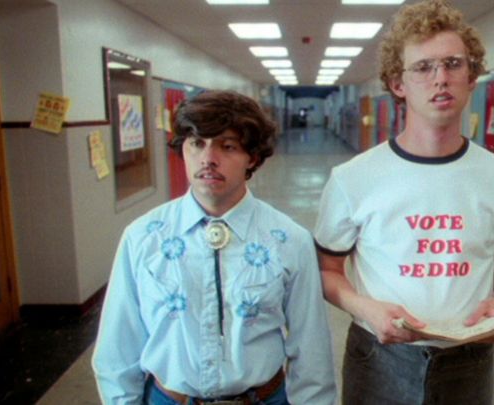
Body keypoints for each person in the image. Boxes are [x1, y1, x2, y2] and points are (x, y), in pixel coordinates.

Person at [314, 1, 494, 404]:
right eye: (423, 68)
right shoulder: (353, 178)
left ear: (472, 78)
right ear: (398, 84)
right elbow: (327, 270)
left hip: (467, 361)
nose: (441, 79)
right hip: (376, 357)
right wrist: (365, 308)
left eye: (454, 64)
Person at [93, 90, 336, 405]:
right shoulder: (143, 237)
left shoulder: (289, 239)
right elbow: (118, 345)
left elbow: (311, 347)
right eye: (196, 143)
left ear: (253, 157)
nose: (208, 158)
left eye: (228, 146)